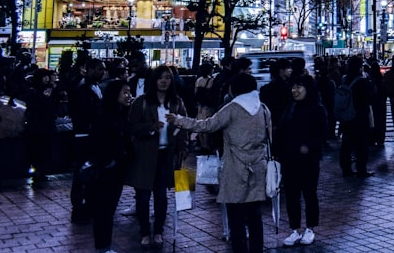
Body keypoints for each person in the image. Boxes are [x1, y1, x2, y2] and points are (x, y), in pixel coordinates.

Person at [167, 73, 270, 253]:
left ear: (235, 89)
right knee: (254, 216)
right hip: (258, 167)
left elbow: (206, 125)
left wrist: (179, 120)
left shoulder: (233, 108)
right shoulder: (263, 108)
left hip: (236, 168)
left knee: (236, 217)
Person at [126, 65, 188, 249]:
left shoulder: (176, 102)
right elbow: (132, 127)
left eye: (167, 78)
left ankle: (159, 230)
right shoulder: (141, 102)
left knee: (161, 195)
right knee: (143, 195)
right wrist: (151, 127)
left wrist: (182, 145)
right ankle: (145, 231)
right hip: (145, 155)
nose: (164, 81)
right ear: (153, 80)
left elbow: (184, 125)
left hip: (166, 155)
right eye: (160, 78)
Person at [278, 74, 327, 247]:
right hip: (290, 159)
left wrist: (308, 146)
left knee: (309, 194)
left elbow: (322, 133)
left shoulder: (317, 109)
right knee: (292, 195)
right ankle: (295, 229)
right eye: (293, 87)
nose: (295, 90)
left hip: (309, 160)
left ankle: (310, 228)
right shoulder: (290, 107)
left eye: (299, 87)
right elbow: (282, 130)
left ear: (308, 89)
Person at [88, 80, 133, 253]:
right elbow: (98, 143)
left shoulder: (121, 113)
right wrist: (110, 160)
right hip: (106, 170)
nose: (129, 96)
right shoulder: (104, 115)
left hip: (116, 169)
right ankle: (103, 247)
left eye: (129, 92)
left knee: (108, 209)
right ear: (115, 94)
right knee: (104, 211)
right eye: (125, 92)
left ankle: (104, 246)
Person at [69, 58, 106, 224]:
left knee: (89, 173)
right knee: (82, 173)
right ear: (89, 69)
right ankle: (79, 209)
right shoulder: (82, 89)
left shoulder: (95, 87)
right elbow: (85, 114)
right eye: (99, 69)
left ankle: (86, 206)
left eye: (103, 69)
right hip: (84, 136)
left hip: (90, 136)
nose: (102, 72)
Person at [339, 55, 376, 178]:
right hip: (360, 116)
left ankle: (346, 168)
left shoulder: (345, 79)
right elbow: (371, 96)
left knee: (346, 143)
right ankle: (361, 169)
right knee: (361, 144)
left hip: (346, 116)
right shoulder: (362, 81)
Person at [22, 68, 59, 185]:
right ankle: (37, 171)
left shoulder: (50, 90)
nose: (47, 79)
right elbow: (34, 106)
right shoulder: (34, 91)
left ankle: (42, 171)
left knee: (45, 149)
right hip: (37, 126)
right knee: (37, 150)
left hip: (47, 125)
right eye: (44, 76)